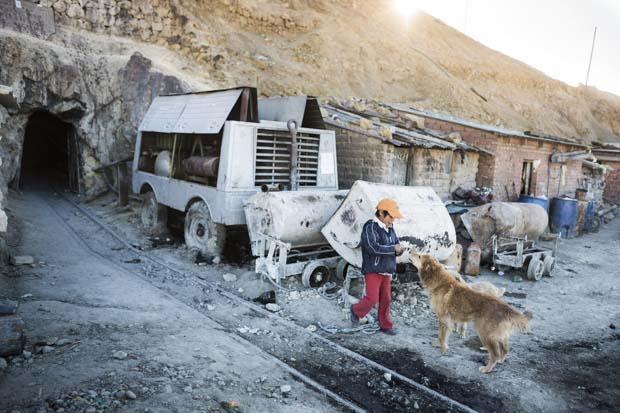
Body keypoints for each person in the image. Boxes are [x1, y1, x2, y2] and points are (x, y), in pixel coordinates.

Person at [350, 198, 404, 335]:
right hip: (373, 269)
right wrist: (393, 249)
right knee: (372, 298)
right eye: (390, 216)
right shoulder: (370, 227)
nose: (393, 219)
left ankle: (385, 325)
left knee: (386, 299)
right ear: (381, 213)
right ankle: (356, 310)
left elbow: (395, 243)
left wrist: (399, 250)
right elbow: (372, 248)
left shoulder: (390, 228)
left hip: (386, 269)